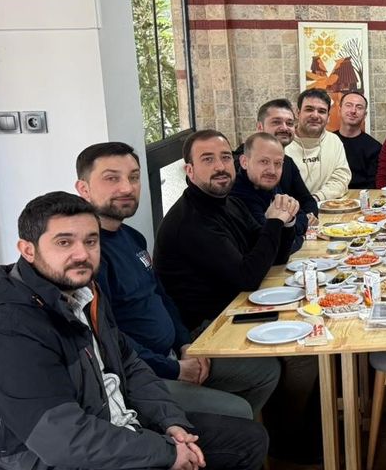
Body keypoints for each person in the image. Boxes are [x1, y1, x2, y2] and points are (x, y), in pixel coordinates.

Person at [0, 192, 269, 470]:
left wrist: (172, 423)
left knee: (248, 441)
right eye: (64, 242)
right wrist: (166, 452)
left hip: (110, 437)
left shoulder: (83, 293)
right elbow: (63, 440)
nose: (81, 254)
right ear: (27, 250)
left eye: (91, 241)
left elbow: (130, 365)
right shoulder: (9, 331)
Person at [77, 142, 280, 421]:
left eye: (133, 177)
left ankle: (224, 439)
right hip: (142, 376)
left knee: (265, 371)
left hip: (176, 352)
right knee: (238, 412)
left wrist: (185, 345)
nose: (126, 187)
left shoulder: (131, 237)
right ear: (84, 188)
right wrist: (175, 369)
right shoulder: (88, 257)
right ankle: (224, 436)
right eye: (112, 178)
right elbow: (109, 340)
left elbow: (162, 297)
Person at [155, 130, 299, 333]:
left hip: (240, 307)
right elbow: (248, 278)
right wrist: (274, 222)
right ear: (190, 170)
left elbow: (273, 257)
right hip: (209, 329)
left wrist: (287, 220)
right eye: (208, 159)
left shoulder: (232, 203)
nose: (220, 167)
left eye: (225, 157)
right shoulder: (190, 221)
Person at [237, 99, 318, 229]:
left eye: (289, 123)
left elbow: (306, 201)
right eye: (276, 122)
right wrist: (296, 223)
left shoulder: (288, 162)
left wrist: (305, 217)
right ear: (260, 127)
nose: (284, 128)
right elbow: (264, 230)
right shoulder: (240, 167)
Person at [232, 131, 311, 250]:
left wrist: (290, 229)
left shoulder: (268, 185)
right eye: (264, 161)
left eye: (278, 163)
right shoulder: (237, 194)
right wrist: (299, 238)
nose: (272, 171)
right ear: (244, 162)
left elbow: (302, 217)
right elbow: (273, 245)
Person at [285, 88, 352, 202]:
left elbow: (341, 179)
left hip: (325, 205)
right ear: (297, 113)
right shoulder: (284, 143)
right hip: (291, 209)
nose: (315, 115)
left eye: (321, 111)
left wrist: (316, 198)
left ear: (328, 117)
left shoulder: (334, 141)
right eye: (309, 109)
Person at [336, 90, 382, 189]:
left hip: (362, 196)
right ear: (339, 110)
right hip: (329, 195)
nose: (353, 111)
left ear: (365, 115)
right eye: (348, 105)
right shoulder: (327, 141)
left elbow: (373, 185)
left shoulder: (375, 147)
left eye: (359, 107)